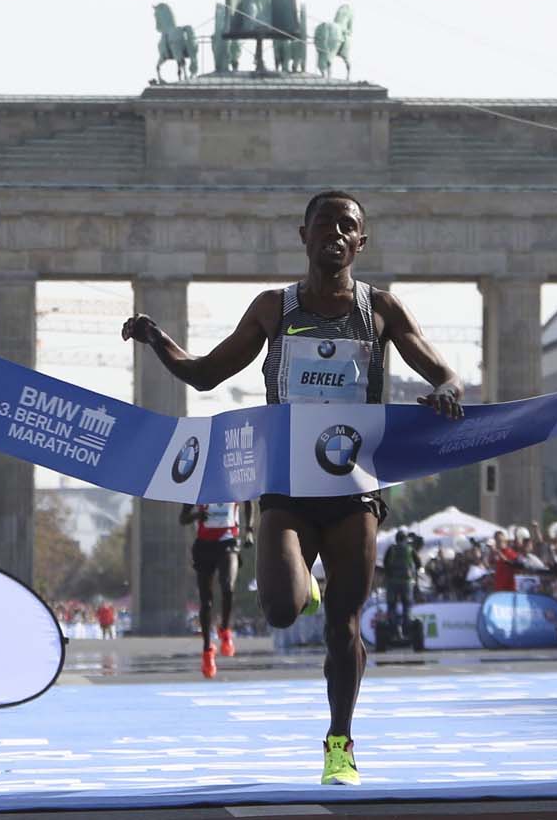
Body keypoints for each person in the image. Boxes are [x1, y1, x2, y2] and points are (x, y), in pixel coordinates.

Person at [122, 190, 463, 785]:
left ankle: (340, 742)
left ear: (362, 241)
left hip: (354, 487)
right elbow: (205, 375)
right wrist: (157, 340)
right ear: (301, 235)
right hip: (284, 484)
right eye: (324, 224)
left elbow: (442, 371)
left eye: (347, 226)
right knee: (280, 608)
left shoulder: (380, 309)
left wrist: (448, 388)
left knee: (344, 625)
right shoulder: (272, 308)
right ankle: (304, 587)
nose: (335, 233)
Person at [178, 499, 252, 678]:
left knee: (228, 587)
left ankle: (225, 630)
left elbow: (248, 501)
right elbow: (183, 518)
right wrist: (197, 515)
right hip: (204, 545)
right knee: (207, 602)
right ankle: (207, 651)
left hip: (228, 542)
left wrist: (249, 529)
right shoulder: (198, 486)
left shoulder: (233, 481)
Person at [381, 530, 417, 635]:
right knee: (407, 605)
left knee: (392, 605)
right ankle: (407, 628)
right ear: (405, 539)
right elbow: (418, 563)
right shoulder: (410, 549)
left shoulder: (391, 549)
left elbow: (385, 564)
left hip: (392, 582)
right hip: (407, 583)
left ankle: (394, 629)